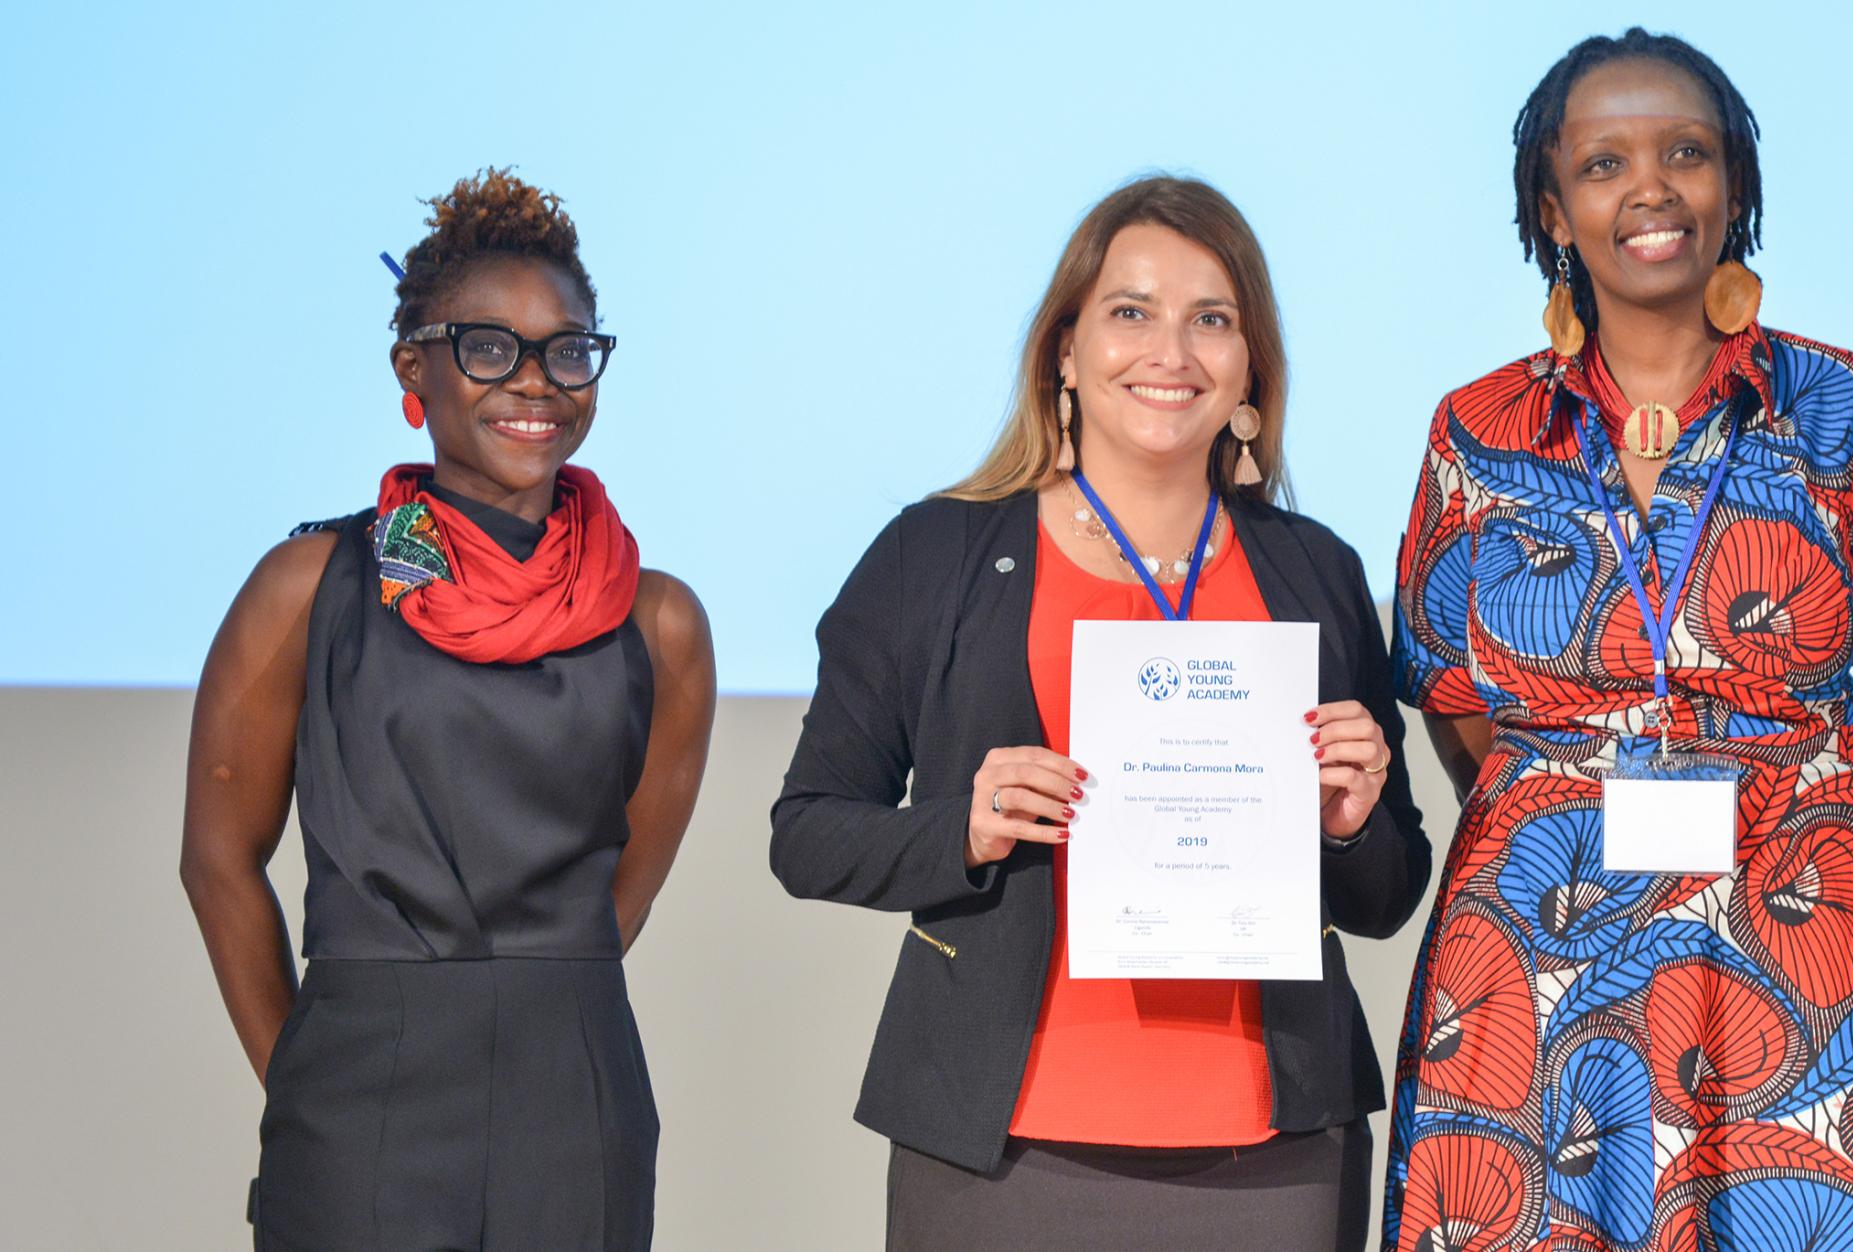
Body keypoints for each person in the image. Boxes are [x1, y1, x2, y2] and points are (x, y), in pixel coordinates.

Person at [1384, 29, 1853, 1251]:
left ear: (1735, 183)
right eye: (1605, 163)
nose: (1651, 190)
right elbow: (1458, 703)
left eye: (1686, 153)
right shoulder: (1477, 430)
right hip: (1544, 966)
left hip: (1811, 962)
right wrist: (1580, 813)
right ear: (1554, 208)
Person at [771, 175, 1429, 1251]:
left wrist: (1351, 822)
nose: (1170, 351)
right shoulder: (932, 556)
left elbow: (1389, 890)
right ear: (1064, 354)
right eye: (1130, 312)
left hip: (1274, 1156)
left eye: (1211, 319)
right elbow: (805, 834)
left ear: (1250, 365)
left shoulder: (1315, 570)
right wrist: (966, 827)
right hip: (1003, 1144)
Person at [179, 169, 715, 1251]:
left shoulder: (658, 622)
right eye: (488, 346)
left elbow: (625, 891)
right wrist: (310, 1077)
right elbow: (217, 859)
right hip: (358, 1092)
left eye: (569, 349)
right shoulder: (309, 586)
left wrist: (531, 1003)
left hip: (574, 1089)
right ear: (412, 369)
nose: (536, 381)